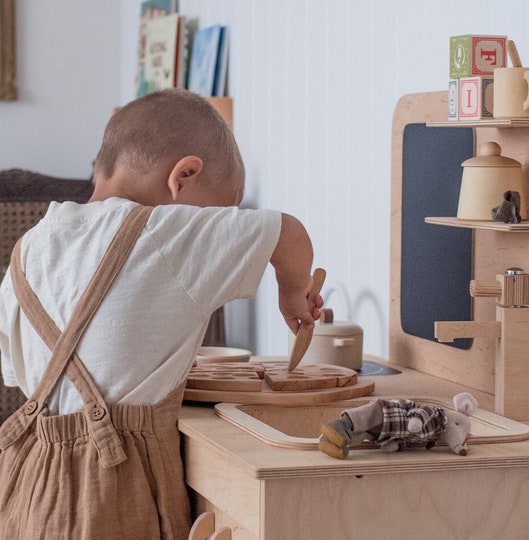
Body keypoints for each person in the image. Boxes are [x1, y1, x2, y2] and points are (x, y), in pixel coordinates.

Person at [0, 89, 322, 539]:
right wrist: (294, 292)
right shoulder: (166, 230)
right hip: (115, 482)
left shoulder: (27, 250)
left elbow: (20, 374)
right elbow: (287, 232)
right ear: (183, 177)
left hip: (29, 484)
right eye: (217, 214)